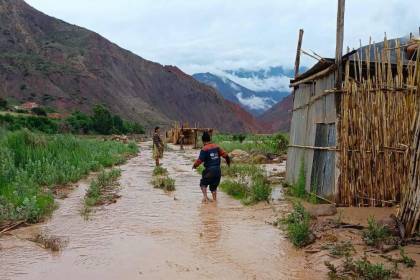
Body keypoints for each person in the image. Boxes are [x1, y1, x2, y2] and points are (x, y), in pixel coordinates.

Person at [193, 131, 231, 203]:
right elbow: (226, 155)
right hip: (218, 171)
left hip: (210, 170)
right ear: (210, 139)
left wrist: (194, 166)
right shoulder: (217, 147)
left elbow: (200, 160)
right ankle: (214, 201)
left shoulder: (204, 149)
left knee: (203, 184)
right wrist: (228, 164)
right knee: (214, 187)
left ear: (203, 140)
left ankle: (205, 198)